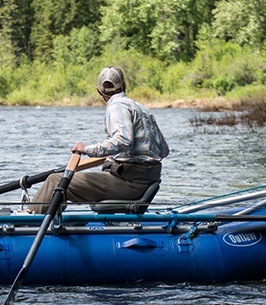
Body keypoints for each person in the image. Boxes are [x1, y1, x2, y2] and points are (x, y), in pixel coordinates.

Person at [29, 66, 169, 214]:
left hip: (128, 183)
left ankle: (27, 223)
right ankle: (54, 221)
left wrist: (86, 150)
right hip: (145, 182)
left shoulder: (117, 106)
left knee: (54, 181)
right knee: (62, 182)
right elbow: (164, 151)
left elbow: (123, 140)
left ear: (99, 91)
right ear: (124, 87)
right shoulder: (142, 109)